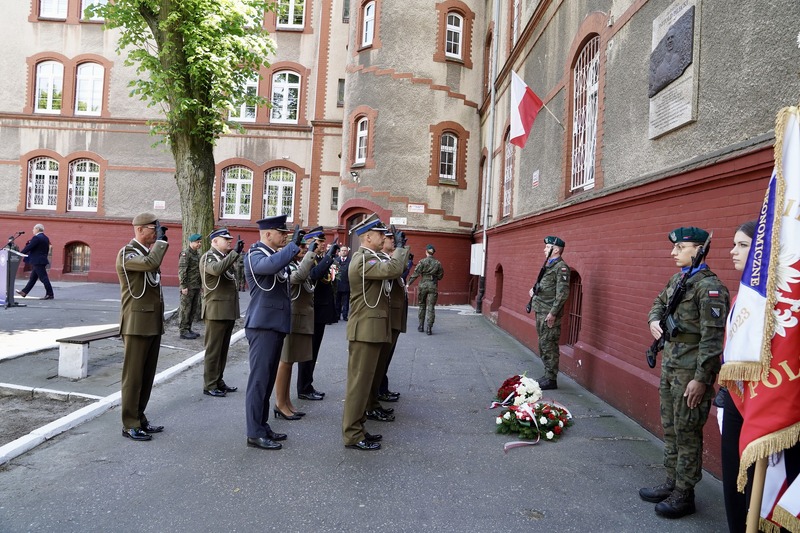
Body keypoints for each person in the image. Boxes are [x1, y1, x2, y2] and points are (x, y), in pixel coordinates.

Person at [639, 226, 729, 518]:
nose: (673, 252)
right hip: (671, 366)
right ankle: (672, 481)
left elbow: (713, 340)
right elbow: (658, 304)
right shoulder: (678, 280)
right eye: (674, 247)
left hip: (691, 371)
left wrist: (702, 380)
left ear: (699, 250)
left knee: (688, 431)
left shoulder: (710, 288)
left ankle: (685, 493)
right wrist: (654, 320)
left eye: (680, 247)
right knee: (671, 427)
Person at [342, 214, 409, 451]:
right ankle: (351, 434)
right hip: (365, 330)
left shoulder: (371, 257)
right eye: (381, 234)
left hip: (372, 329)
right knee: (358, 385)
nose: (384, 238)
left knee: (367, 383)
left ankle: (359, 428)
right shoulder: (362, 260)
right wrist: (400, 249)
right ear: (368, 237)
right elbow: (393, 269)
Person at [243, 215, 304, 451]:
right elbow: (267, 268)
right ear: (268, 234)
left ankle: (262, 425)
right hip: (262, 325)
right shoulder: (255, 255)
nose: (285, 236)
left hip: (274, 324)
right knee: (258, 381)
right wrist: (292, 247)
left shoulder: (273, 255)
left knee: (267, 380)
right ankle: (254, 432)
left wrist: (291, 249)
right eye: (282, 233)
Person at [115, 213, 169, 441]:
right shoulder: (127, 254)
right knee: (134, 377)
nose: (155, 232)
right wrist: (162, 243)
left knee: (146, 376)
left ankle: (140, 417)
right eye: (152, 228)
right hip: (136, 323)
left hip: (151, 322)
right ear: (139, 229)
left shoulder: (145, 253)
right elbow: (151, 264)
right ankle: (130, 423)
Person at [273, 233, 316, 420]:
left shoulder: (295, 263)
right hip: (290, 318)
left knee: (290, 362)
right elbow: (297, 277)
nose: (305, 249)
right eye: (301, 246)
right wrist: (310, 255)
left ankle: (287, 401)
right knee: (285, 362)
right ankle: (279, 403)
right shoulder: (286, 264)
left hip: (298, 317)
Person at [200, 228, 243, 397]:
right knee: (214, 350)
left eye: (229, 239)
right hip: (216, 311)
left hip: (226, 310)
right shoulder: (208, 257)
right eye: (225, 239)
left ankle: (218, 380)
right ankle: (209, 384)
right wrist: (234, 254)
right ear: (214, 241)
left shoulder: (224, 257)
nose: (229, 241)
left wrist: (232, 255)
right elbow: (216, 270)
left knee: (223, 349)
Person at [296, 227, 339, 401]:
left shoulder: (318, 258)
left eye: (323, 242)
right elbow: (314, 275)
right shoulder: (309, 259)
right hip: (313, 310)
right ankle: (304, 387)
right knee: (308, 352)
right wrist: (329, 257)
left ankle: (308, 384)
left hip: (320, 310)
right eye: (320, 242)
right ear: (311, 242)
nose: (323, 244)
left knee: (314, 350)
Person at [528, 236, 570, 390]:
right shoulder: (549, 265)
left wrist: (553, 313)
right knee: (543, 344)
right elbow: (547, 286)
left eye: (547, 247)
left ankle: (551, 379)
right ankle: (547, 374)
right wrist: (535, 291)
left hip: (548, 313)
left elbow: (563, 293)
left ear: (556, 249)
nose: (544, 250)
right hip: (541, 310)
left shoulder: (561, 267)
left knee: (549, 345)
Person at [375, 227, 407, 405]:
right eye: (389, 238)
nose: (392, 240)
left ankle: (382, 389)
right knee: (381, 359)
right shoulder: (380, 260)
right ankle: (378, 392)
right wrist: (400, 249)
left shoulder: (388, 258)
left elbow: (402, 271)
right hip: (387, 313)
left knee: (386, 357)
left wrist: (402, 249)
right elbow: (395, 271)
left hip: (394, 312)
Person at [407, 244, 444, 335]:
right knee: (431, 306)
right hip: (433, 285)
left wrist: (408, 283)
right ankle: (429, 328)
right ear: (433, 253)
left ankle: (421, 326)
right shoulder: (438, 263)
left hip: (423, 285)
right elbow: (440, 276)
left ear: (426, 252)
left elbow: (416, 274)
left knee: (422, 305)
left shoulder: (422, 262)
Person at [17, 223, 54, 300]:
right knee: (33, 278)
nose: (32, 230)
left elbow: (29, 247)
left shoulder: (36, 238)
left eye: (33, 229)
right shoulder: (45, 238)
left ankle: (50, 294)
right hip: (42, 259)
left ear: (37, 229)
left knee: (44, 278)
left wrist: (20, 253)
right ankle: (24, 292)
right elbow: (46, 249)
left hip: (37, 260)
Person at [178, 233, 203, 339]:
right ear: (191, 242)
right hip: (188, 286)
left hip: (196, 286)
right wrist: (183, 286)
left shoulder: (197, 254)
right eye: (197, 242)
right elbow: (182, 271)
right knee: (186, 309)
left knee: (193, 309)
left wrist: (200, 285)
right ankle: (183, 331)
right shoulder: (186, 253)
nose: (199, 244)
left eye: (200, 242)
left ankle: (188, 328)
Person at [335, 246, 351, 320]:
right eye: (342, 250)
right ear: (339, 252)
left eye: (345, 250)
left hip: (346, 284)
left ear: (347, 252)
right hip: (337, 284)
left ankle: (345, 315)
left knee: (346, 301)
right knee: (337, 301)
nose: (344, 252)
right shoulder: (336, 260)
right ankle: (337, 315)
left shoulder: (350, 261)